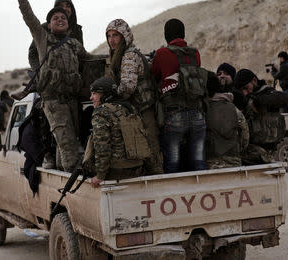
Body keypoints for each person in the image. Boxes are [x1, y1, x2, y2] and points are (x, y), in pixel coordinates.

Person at [11, 0, 102, 172]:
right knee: (68, 144)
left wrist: (119, 51)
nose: (60, 19)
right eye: (55, 18)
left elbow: (91, 59)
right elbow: (29, 18)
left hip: (72, 99)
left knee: (68, 143)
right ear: (49, 24)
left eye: (63, 17)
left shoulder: (74, 44)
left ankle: (62, 175)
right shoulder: (43, 39)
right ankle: (73, 183)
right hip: (53, 101)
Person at [104, 18, 163, 174]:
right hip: (138, 112)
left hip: (144, 112)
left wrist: (110, 90)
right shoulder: (121, 55)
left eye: (115, 35)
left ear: (124, 37)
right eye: (109, 36)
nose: (111, 40)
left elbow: (127, 88)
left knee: (152, 154)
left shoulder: (129, 56)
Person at [151, 18, 208, 173]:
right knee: (199, 164)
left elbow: (154, 75)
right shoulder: (195, 53)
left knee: (172, 166)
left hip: (174, 115)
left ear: (166, 35)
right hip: (197, 114)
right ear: (183, 33)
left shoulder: (162, 53)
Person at [88, 77, 146, 187]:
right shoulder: (130, 108)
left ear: (105, 95)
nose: (91, 98)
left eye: (94, 93)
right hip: (138, 168)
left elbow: (102, 148)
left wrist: (100, 176)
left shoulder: (101, 112)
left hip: (117, 172)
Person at [234, 69, 287, 164]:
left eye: (246, 88)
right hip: (251, 148)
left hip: (266, 149)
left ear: (254, 80)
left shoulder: (267, 92)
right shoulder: (245, 97)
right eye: (242, 90)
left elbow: (283, 98)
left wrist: (259, 102)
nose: (245, 92)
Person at [28, 0, 83, 72]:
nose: (65, 8)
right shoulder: (45, 28)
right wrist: (38, 73)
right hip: (48, 78)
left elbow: (81, 56)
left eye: (68, 6)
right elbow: (32, 53)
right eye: (61, 6)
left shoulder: (77, 29)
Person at [205, 72, 248, 169]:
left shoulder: (203, 110)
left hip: (211, 164)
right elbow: (245, 135)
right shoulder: (234, 109)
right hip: (234, 162)